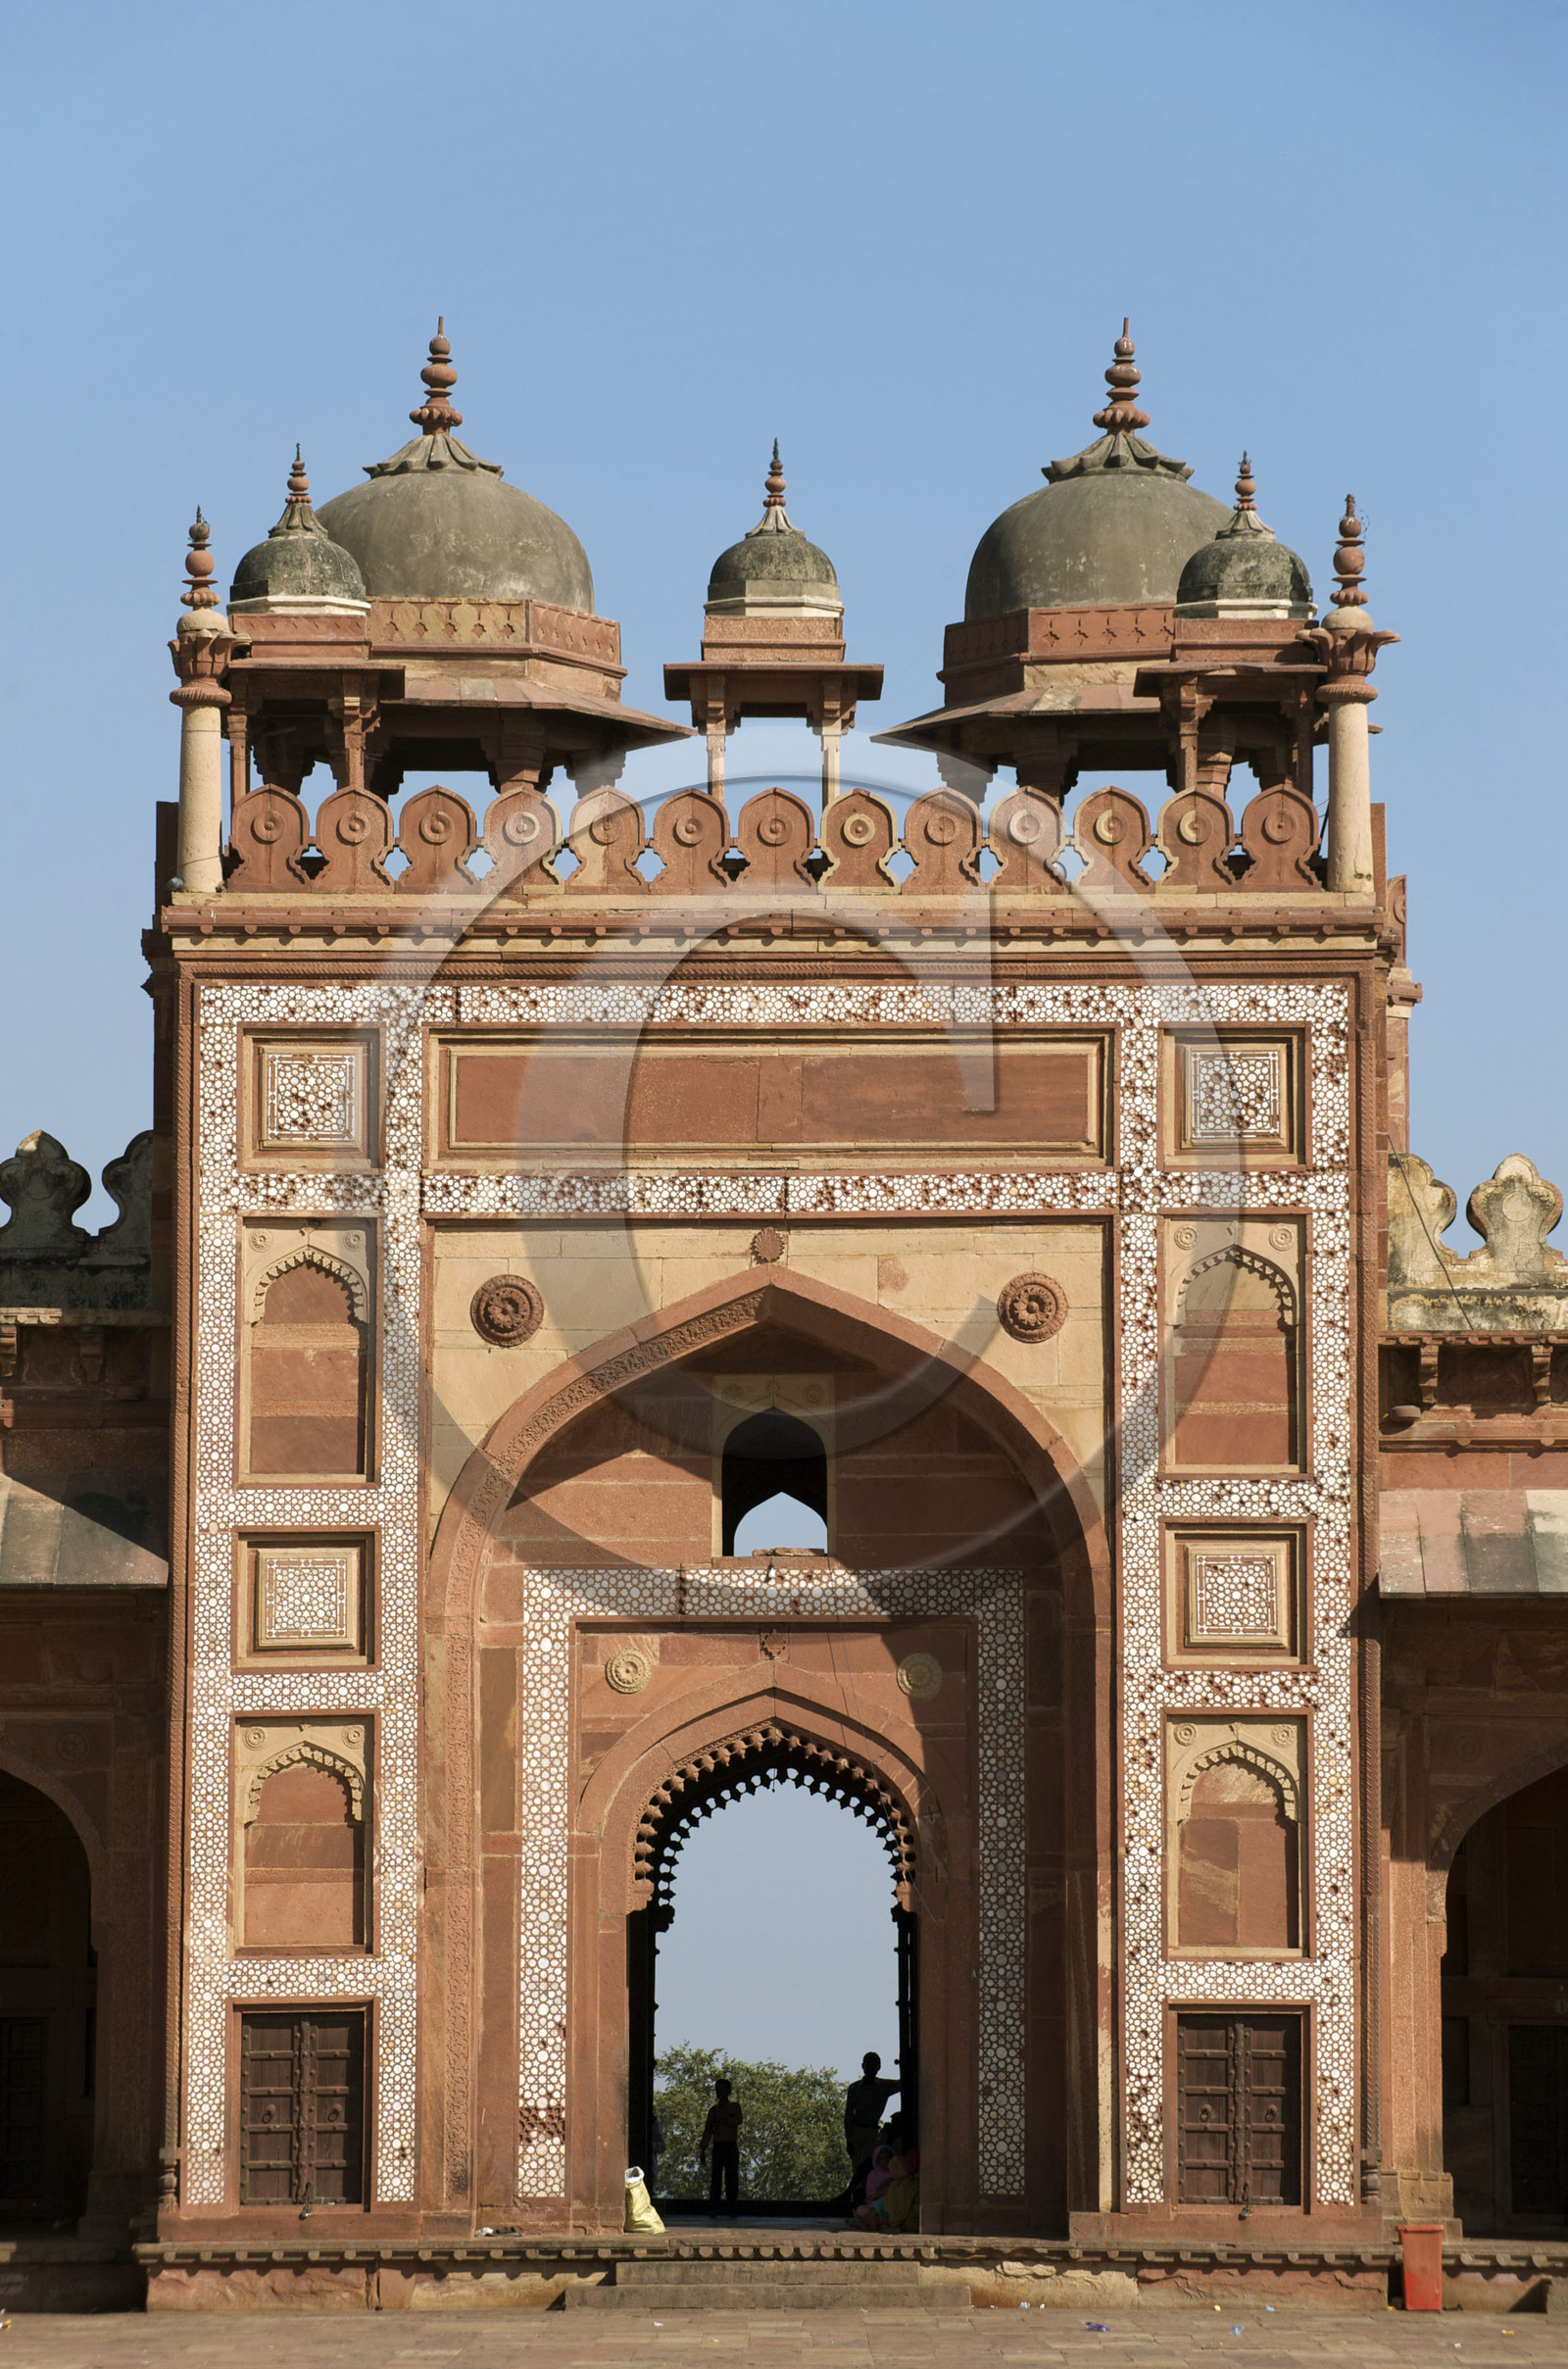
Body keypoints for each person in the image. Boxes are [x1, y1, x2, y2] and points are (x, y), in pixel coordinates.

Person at [843, 2052, 901, 2204]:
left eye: (873, 2065)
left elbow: (903, 2083)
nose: (870, 2068)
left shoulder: (884, 2086)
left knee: (866, 2168)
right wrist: (849, 2139)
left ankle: (860, 2201)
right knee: (856, 2167)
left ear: (879, 2067)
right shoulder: (854, 2088)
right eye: (868, 2064)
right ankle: (856, 2201)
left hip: (871, 2131)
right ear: (863, 2066)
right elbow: (848, 2115)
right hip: (856, 2130)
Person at [699, 2076, 743, 2213]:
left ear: (729, 2091)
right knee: (716, 2179)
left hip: (730, 2146)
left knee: (732, 2178)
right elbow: (708, 2130)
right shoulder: (713, 2110)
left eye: (722, 2089)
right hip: (718, 2146)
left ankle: (732, 2207)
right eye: (717, 2090)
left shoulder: (734, 2107)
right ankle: (714, 2208)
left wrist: (722, 2121)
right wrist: (703, 2149)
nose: (719, 2092)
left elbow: (738, 2119)